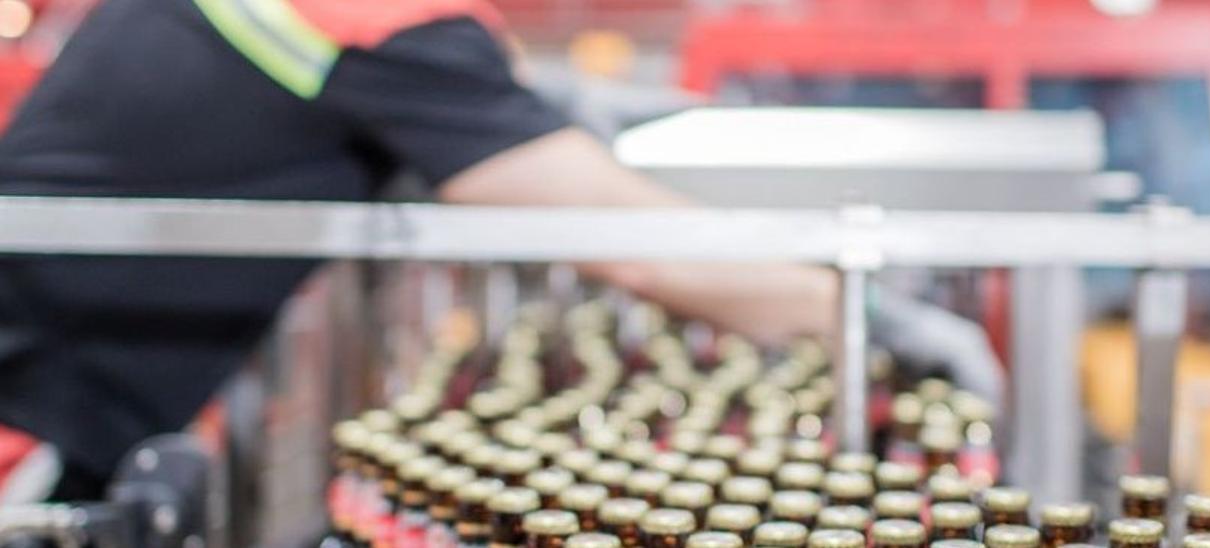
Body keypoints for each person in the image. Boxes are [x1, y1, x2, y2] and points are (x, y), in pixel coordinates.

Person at [0, 0, 839, 502]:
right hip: (30, 413)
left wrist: (533, 108)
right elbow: (638, 249)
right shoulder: (385, 19)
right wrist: (854, 311)